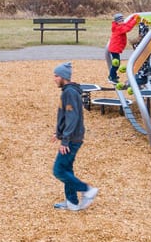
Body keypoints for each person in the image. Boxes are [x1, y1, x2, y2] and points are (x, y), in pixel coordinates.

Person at [51, 62, 98, 211]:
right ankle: (72, 202)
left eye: (56, 76)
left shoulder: (69, 93)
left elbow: (72, 117)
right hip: (70, 137)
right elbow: (65, 115)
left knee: (58, 170)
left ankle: (86, 190)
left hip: (72, 139)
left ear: (64, 77)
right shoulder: (68, 91)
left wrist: (65, 140)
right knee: (67, 169)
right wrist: (58, 133)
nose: (54, 79)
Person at [106, 13, 139, 83]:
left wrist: (132, 18)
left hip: (115, 49)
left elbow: (127, 24)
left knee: (116, 64)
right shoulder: (119, 28)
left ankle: (113, 75)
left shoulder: (119, 26)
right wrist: (134, 20)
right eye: (120, 21)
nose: (122, 22)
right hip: (115, 49)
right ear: (117, 22)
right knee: (116, 64)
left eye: (122, 20)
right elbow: (128, 28)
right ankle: (111, 77)